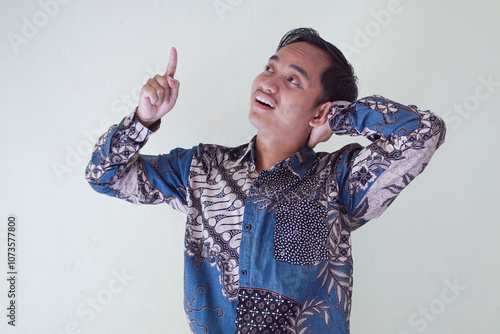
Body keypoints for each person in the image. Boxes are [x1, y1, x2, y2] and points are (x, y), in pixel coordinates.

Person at [85, 28, 446, 333]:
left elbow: (424, 134)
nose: (268, 83)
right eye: (269, 68)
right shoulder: (202, 168)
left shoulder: (342, 181)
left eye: (292, 80)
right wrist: (143, 120)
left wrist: (338, 117)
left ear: (320, 108)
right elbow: (104, 176)